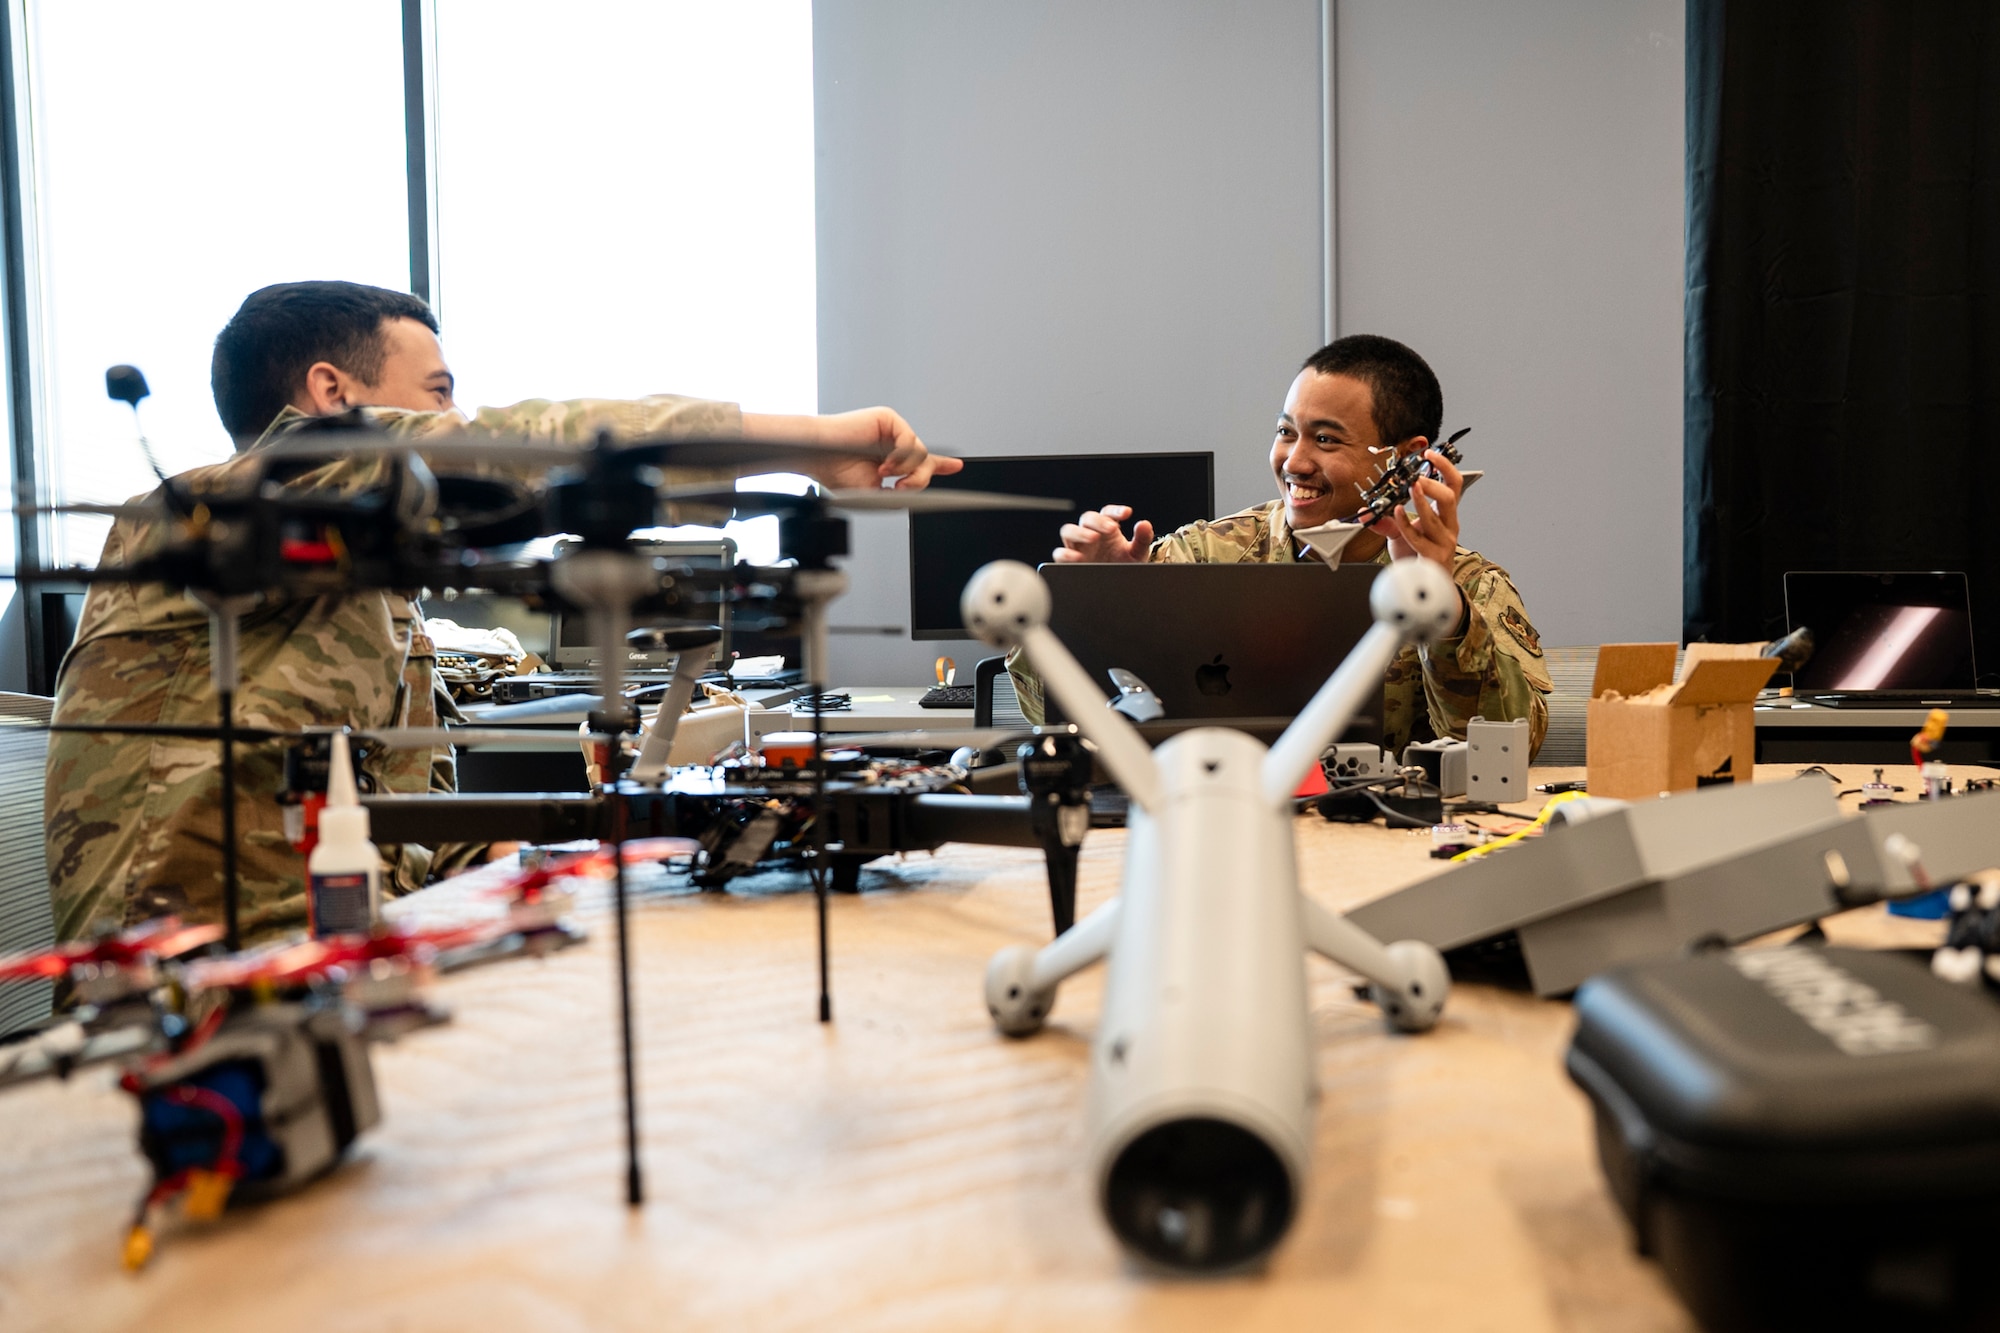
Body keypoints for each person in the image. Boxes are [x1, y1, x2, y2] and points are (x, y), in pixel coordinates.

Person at [46, 280, 958, 945]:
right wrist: (818, 445)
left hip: (350, 946)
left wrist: (569, 862)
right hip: (204, 977)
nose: (459, 417)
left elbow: (403, 827)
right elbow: (530, 447)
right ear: (333, 396)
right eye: (440, 394)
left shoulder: (350, 579)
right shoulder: (214, 506)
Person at [1013, 333, 1549, 756]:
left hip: (1382, 848)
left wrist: (1442, 612)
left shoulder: (1472, 587)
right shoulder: (1205, 559)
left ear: (1402, 456)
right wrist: (1089, 607)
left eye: (1326, 438)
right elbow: (1056, 720)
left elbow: (1507, 751)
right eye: (1286, 431)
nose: (1293, 461)